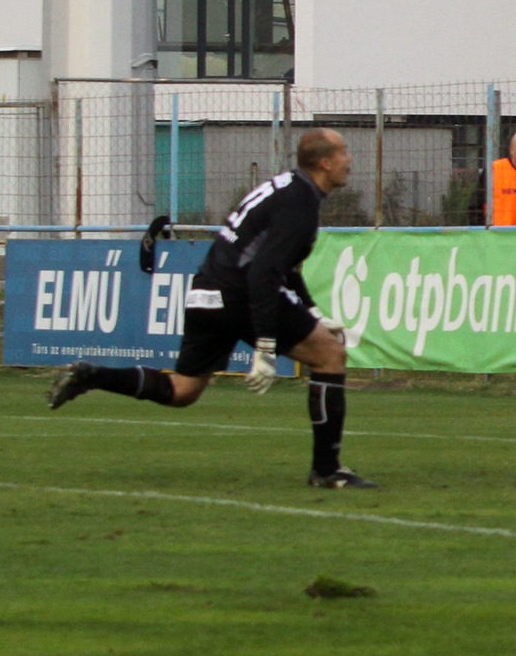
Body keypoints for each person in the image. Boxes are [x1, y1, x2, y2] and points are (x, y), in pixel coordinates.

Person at [45, 128, 378, 489]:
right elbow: (264, 273)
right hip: (239, 292)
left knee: (182, 390)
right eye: (344, 153)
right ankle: (327, 471)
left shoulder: (288, 188)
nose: (350, 160)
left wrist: (312, 312)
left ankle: (93, 376)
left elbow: (283, 265)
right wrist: (266, 345)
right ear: (325, 163)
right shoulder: (300, 201)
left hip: (206, 289)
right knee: (330, 355)